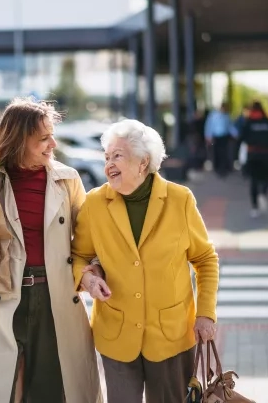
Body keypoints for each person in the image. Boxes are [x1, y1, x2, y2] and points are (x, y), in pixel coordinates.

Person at [0, 97, 103, 403]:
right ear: (20, 139)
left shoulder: (68, 180)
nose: (52, 144)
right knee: (5, 393)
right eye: (43, 138)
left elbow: (90, 239)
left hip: (56, 301)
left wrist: (94, 271)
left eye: (52, 135)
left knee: (54, 394)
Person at [71, 119, 220, 403]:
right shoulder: (94, 204)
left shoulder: (180, 199)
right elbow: (78, 255)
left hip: (171, 334)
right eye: (106, 157)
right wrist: (88, 279)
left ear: (143, 162)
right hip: (116, 332)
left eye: (118, 156)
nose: (108, 164)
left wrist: (205, 314)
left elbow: (205, 259)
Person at [240, 101, 268, 218]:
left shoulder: (248, 122)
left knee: (253, 180)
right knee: (267, 177)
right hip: (266, 154)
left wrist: (236, 158)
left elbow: (242, 139)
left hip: (252, 154)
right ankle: (263, 193)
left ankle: (254, 208)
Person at [205, 102, 238, 178]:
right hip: (216, 137)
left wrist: (235, 133)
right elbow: (209, 126)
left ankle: (222, 168)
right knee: (217, 152)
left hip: (224, 137)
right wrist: (208, 136)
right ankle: (217, 168)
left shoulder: (226, 116)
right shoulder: (214, 115)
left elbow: (230, 126)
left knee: (223, 153)